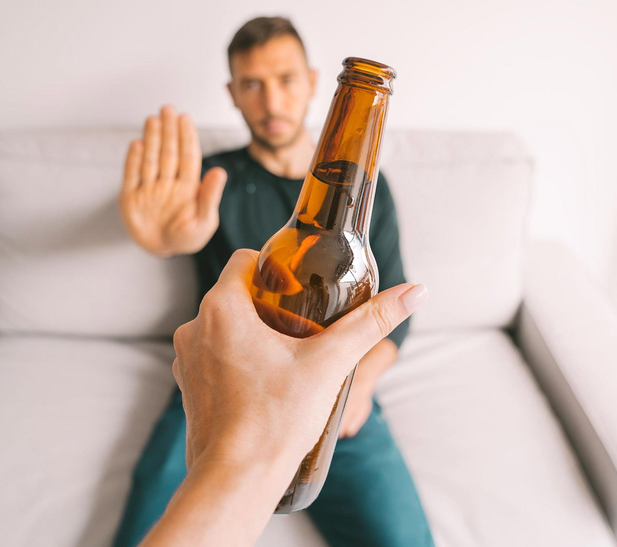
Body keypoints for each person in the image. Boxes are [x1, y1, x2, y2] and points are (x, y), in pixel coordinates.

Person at [115, 15, 435, 547]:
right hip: (221, 376)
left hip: (331, 384)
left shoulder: (367, 195)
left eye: (285, 80)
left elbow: (393, 311)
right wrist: (161, 240)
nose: (271, 101)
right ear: (233, 94)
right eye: (252, 84)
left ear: (311, 83)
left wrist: (360, 385)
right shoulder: (210, 178)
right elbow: (180, 229)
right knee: (145, 524)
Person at [141, 249, 428, 546]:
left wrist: (360, 383)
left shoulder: (367, 230)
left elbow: (393, 319)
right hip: (221, 373)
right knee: (148, 517)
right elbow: (175, 239)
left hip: (337, 384)